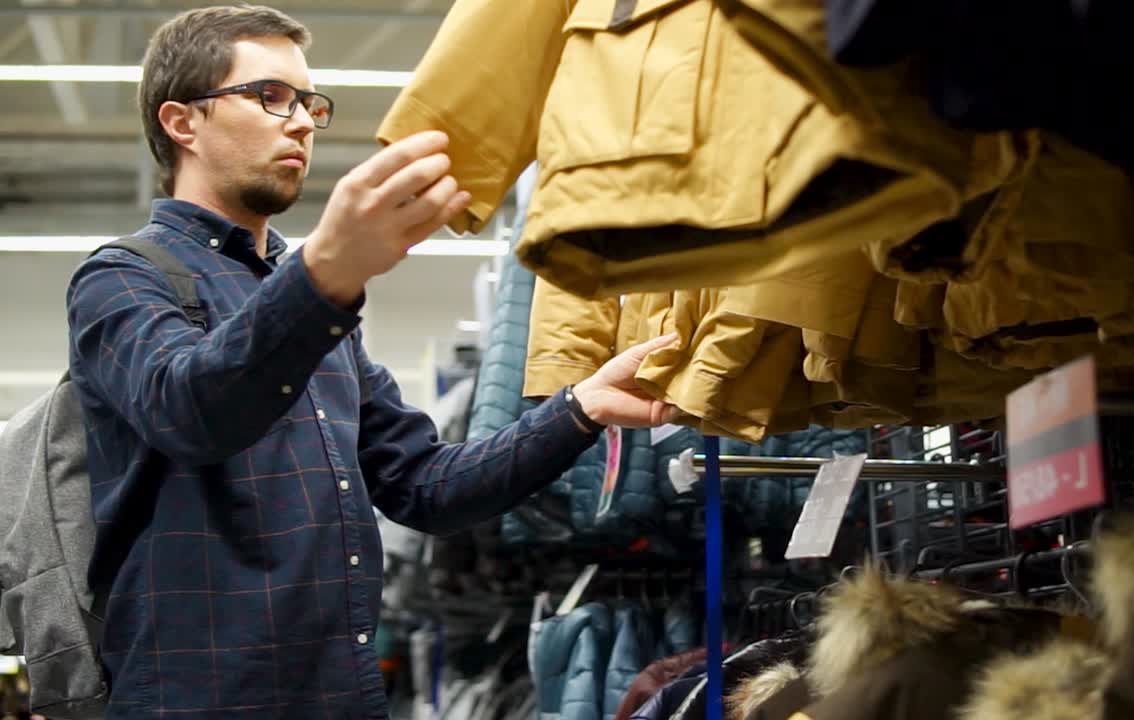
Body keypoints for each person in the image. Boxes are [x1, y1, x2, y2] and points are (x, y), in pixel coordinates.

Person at [64, 5, 677, 719]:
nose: (301, 122)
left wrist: (579, 409)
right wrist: (324, 274)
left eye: (308, 103)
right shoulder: (121, 279)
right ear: (181, 121)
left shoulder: (310, 307)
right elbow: (191, 412)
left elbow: (425, 486)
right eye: (269, 96)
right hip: (198, 701)